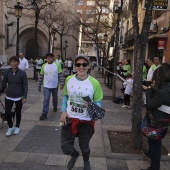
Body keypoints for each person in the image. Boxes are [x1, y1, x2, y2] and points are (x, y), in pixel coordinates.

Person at [59, 54, 103, 170]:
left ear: (88, 66)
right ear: (75, 66)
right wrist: (63, 111)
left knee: (84, 147)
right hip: (69, 118)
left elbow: (99, 103)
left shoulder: (94, 83)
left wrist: (91, 105)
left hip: (86, 120)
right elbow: (65, 97)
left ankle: (86, 160)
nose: (81, 67)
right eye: (78, 64)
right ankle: (74, 155)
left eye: (84, 64)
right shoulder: (69, 79)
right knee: (65, 147)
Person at [141, 63, 170, 170]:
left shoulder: (163, 91)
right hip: (164, 120)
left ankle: (154, 167)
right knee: (155, 142)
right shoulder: (165, 88)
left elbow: (150, 105)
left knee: (155, 143)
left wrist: (148, 91)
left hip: (157, 121)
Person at [0, 56, 28, 136]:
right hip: (9, 96)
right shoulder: (7, 73)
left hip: (19, 97)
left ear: (18, 63)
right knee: (7, 114)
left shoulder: (22, 73)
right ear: (10, 63)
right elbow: (3, 84)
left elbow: (25, 86)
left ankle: (17, 127)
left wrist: (25, 96)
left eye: (15, 62)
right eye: (12, 62)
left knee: (18, 112)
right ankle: (10, 126)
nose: (14, 63)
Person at [38, 53, 64, 120]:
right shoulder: (44, 66)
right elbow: (41, 76)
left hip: (54, 85)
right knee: (46, 98)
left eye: (50, 57)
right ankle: (44, 113)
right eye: (47, 57)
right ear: (46, 59)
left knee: (55, 97)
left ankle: (55, 106)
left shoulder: (57, 65)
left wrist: (62, 83)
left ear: (53, 58)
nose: (49, 58)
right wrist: (39, 84)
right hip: (46, 85)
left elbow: (60, 75)